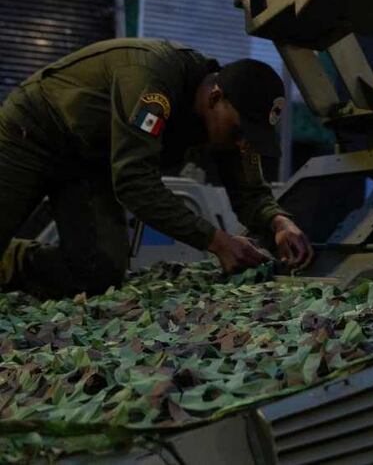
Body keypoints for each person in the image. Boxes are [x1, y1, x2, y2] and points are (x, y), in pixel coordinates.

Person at [0, 38, 315, 299]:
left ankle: (10, 261)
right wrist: (216, 240)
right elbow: (135, 182)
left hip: (88, 162)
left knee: (98, 273)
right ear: (215, 97)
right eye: (239, 132)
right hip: (33, 132)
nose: (241, 144)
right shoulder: (154, 80)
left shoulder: (231, 124)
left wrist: (278, 222)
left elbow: (249, 190)